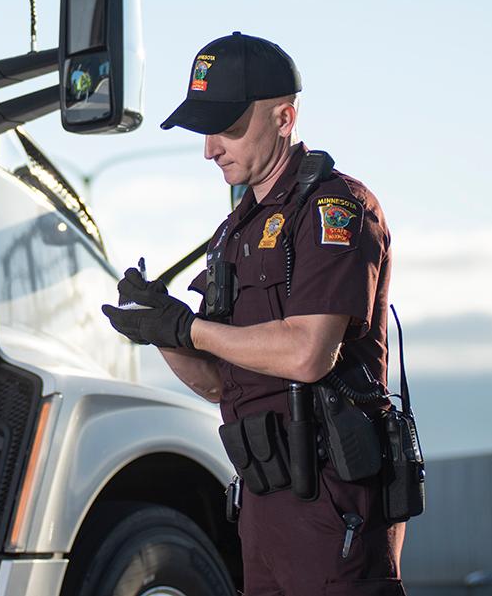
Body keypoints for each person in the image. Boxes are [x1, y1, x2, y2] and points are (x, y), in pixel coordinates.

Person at [101, 32, 405, 596]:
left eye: (228, 128)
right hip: (262, 503)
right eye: (206, 130)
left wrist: (191, 328)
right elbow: (220, 385)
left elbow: (309, 353)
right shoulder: (233, 233)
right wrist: (164, 330)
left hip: (334, 500)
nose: (210, 148)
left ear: (285, 118)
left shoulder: (333, 208)